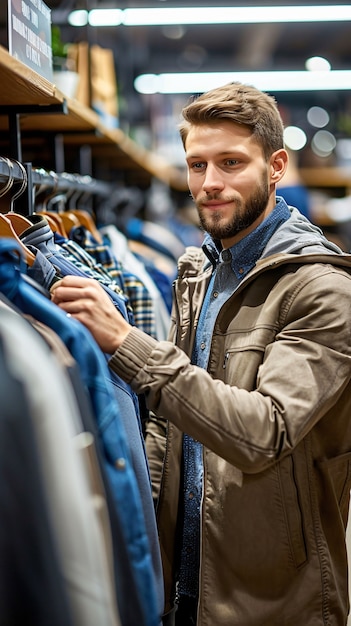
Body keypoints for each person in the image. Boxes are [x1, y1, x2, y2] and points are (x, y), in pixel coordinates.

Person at [51, 81, 351, 626]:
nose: (209, 184)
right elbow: (170, 422)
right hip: (183, 584)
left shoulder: (322, 288)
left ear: (276, 166)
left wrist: (125, 341)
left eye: (231, 162)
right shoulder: (199, 270)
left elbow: (265, 432)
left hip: (274, 598)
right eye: (196, 165)